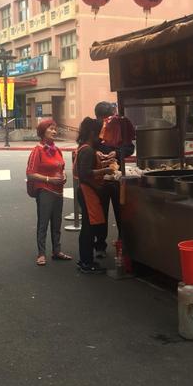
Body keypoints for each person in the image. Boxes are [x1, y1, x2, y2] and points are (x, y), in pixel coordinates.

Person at [26, 118, 71, 266]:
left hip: (59, 191)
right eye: (50, 128)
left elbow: (61, 168)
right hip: (45, 190)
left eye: (55, 128)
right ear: (42, 131)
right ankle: (41, 253)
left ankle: (56, 251)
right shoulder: (37, 150)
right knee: (43, 222)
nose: (54, 131)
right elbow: (30, 173)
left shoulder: (57, 150)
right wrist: (49, 179)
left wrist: (64, 176)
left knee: (57, 222)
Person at [93, 101, 135, 259]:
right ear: (100, 117)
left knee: (121, 212)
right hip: (101, 178)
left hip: (116, 177)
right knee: (101, 214)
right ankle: (100, 245)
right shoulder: (94, 128)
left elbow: (130, 148)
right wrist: (97, 153)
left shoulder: (119, 126)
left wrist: (116, 154)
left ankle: (122, 243)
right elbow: (87, 146)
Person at [74, 117, 115, 274]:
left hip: (88, 191)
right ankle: (86, 262)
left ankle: (86, 260)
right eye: (99, 133)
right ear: (92, 133)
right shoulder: (87, 150)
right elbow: (85, 174)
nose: (101, 137)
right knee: (88, 229)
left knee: (89, 227)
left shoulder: (86, 149)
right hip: (87, 191)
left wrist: (103, 164)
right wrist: (105, 171)